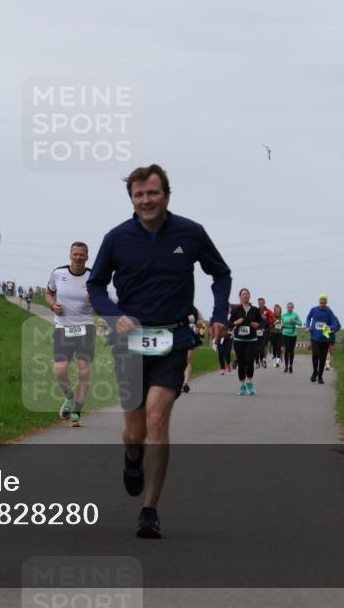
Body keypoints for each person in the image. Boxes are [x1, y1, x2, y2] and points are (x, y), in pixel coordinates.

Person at [88, 164, 231, 539]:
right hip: (130, 342)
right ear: (132, 200)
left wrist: (218, 314)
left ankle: (149, 509)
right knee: (133, 432)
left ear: (166, 195)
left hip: (172, 338)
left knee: (156, 419)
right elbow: (97, 284)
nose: (146, 200)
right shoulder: (117, 238)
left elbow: (221, 273)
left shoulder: (191, 233)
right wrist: (113, 315)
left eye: (152, 193)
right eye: (139, 195)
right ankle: (132, 458)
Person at [46, 242, 96, 427]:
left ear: (87, 256)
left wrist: (96, 299)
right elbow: (48, 293)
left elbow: (102, 297)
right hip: (63, 329)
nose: (78, 257)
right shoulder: (58, 273)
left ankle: (76, 413)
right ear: (70, 255)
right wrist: (52, 304)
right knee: (60, 370)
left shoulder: (93, 276)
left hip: (85, 328)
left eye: (81, 254)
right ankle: (69, 397)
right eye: (75, 254)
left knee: (84, 372)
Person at [229, 289, 263, 395]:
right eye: (243, 294)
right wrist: (236, 322)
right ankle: (242, 385)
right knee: (241, 362)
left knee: (249, 361)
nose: (245, 296)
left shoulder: (255, 310)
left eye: (247, 294)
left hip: (251, 339)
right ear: (240, 297)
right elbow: (229, 324)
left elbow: (262, 322)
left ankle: (249, 383)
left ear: (249, 296)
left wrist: (257, 325)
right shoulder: (236, 310)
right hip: (239, 339)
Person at [305, 295, 341, 384]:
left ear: (326, 302)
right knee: (315, 354)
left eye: (324, 301)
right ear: (319, 301)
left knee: (322, 358)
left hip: (325, 339)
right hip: (315, 337)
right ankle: (315, 372)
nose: (323, 302)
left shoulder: (329, 312)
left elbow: (334, 323)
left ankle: (320, 376)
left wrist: (331, 327)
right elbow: (308, 318)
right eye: (321, 300)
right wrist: (308, 326)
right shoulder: (314, 309)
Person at [181, 307, 205, 393]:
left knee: (188, 359)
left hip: (191, 338)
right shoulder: (176, 306)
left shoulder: (196, 310)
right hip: (178, 337)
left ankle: (185, 383)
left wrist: (201, 335)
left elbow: (202, 324)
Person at [279, 301, 302, 373]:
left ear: (293, 308)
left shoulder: (295, 315)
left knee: (291, 351)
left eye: (291, 307)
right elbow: (280, 324)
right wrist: (281, 325)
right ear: (287, 307)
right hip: (285, 333)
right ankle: (286, 366)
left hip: (293, 334)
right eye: (289, 307)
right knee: (287, 349)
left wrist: (295, 321)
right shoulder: (284, 315)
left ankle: (290, 366)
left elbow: (300, 323)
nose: (290, 308)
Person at [255, 297, 274, 368]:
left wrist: (267, 319)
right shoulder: (255, 311)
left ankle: (262, 360)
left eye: (262, 303)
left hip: (265, 332)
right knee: (256, 348)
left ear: (264, 303)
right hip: (256, 332)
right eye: (259, 303)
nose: (260, 304)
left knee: (262, 347)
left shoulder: (268, 311)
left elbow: (272, 321)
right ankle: (257, 362)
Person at [270, 303, 284, 368]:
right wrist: (274, 323)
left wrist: (283, 325)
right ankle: (275, 359)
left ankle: (277, 362)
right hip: (273, 334)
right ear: (274, 310)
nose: (277, 311)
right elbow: (269, 326)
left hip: (280, 334)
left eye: (278, 310)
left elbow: (284, 325)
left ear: (280, 311)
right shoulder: (272, 317)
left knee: (279, 347)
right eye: (276, 310)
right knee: (274, 348)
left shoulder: (282, 317)